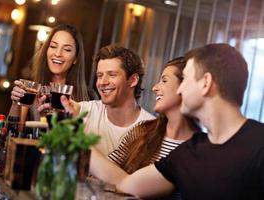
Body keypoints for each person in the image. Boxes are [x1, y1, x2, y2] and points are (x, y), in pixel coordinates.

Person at [89, 43, 264, 200]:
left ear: (206, 83)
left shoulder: (259, 144)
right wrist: (74, 139)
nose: (181, 88)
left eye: (186, 79)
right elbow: (126, 184)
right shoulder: (190, 151)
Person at [108, 57, 201, 200]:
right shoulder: (143, 131)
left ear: (185, 87)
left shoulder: (198, 151)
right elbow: (107, 171)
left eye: (164, 80)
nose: (154, 87)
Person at [61, 44, 155, 156]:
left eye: (112, 75)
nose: (102, 82)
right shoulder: (82, 112)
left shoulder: (152, 129)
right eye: (100, 75)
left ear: (133, 80)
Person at [8, 24, 94, 122]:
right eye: (53, 46)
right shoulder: (31, 89)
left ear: (75, 58)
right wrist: (16, 103)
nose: (57, 54)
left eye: (66, 49)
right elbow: (13, 132)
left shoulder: (89, 96)